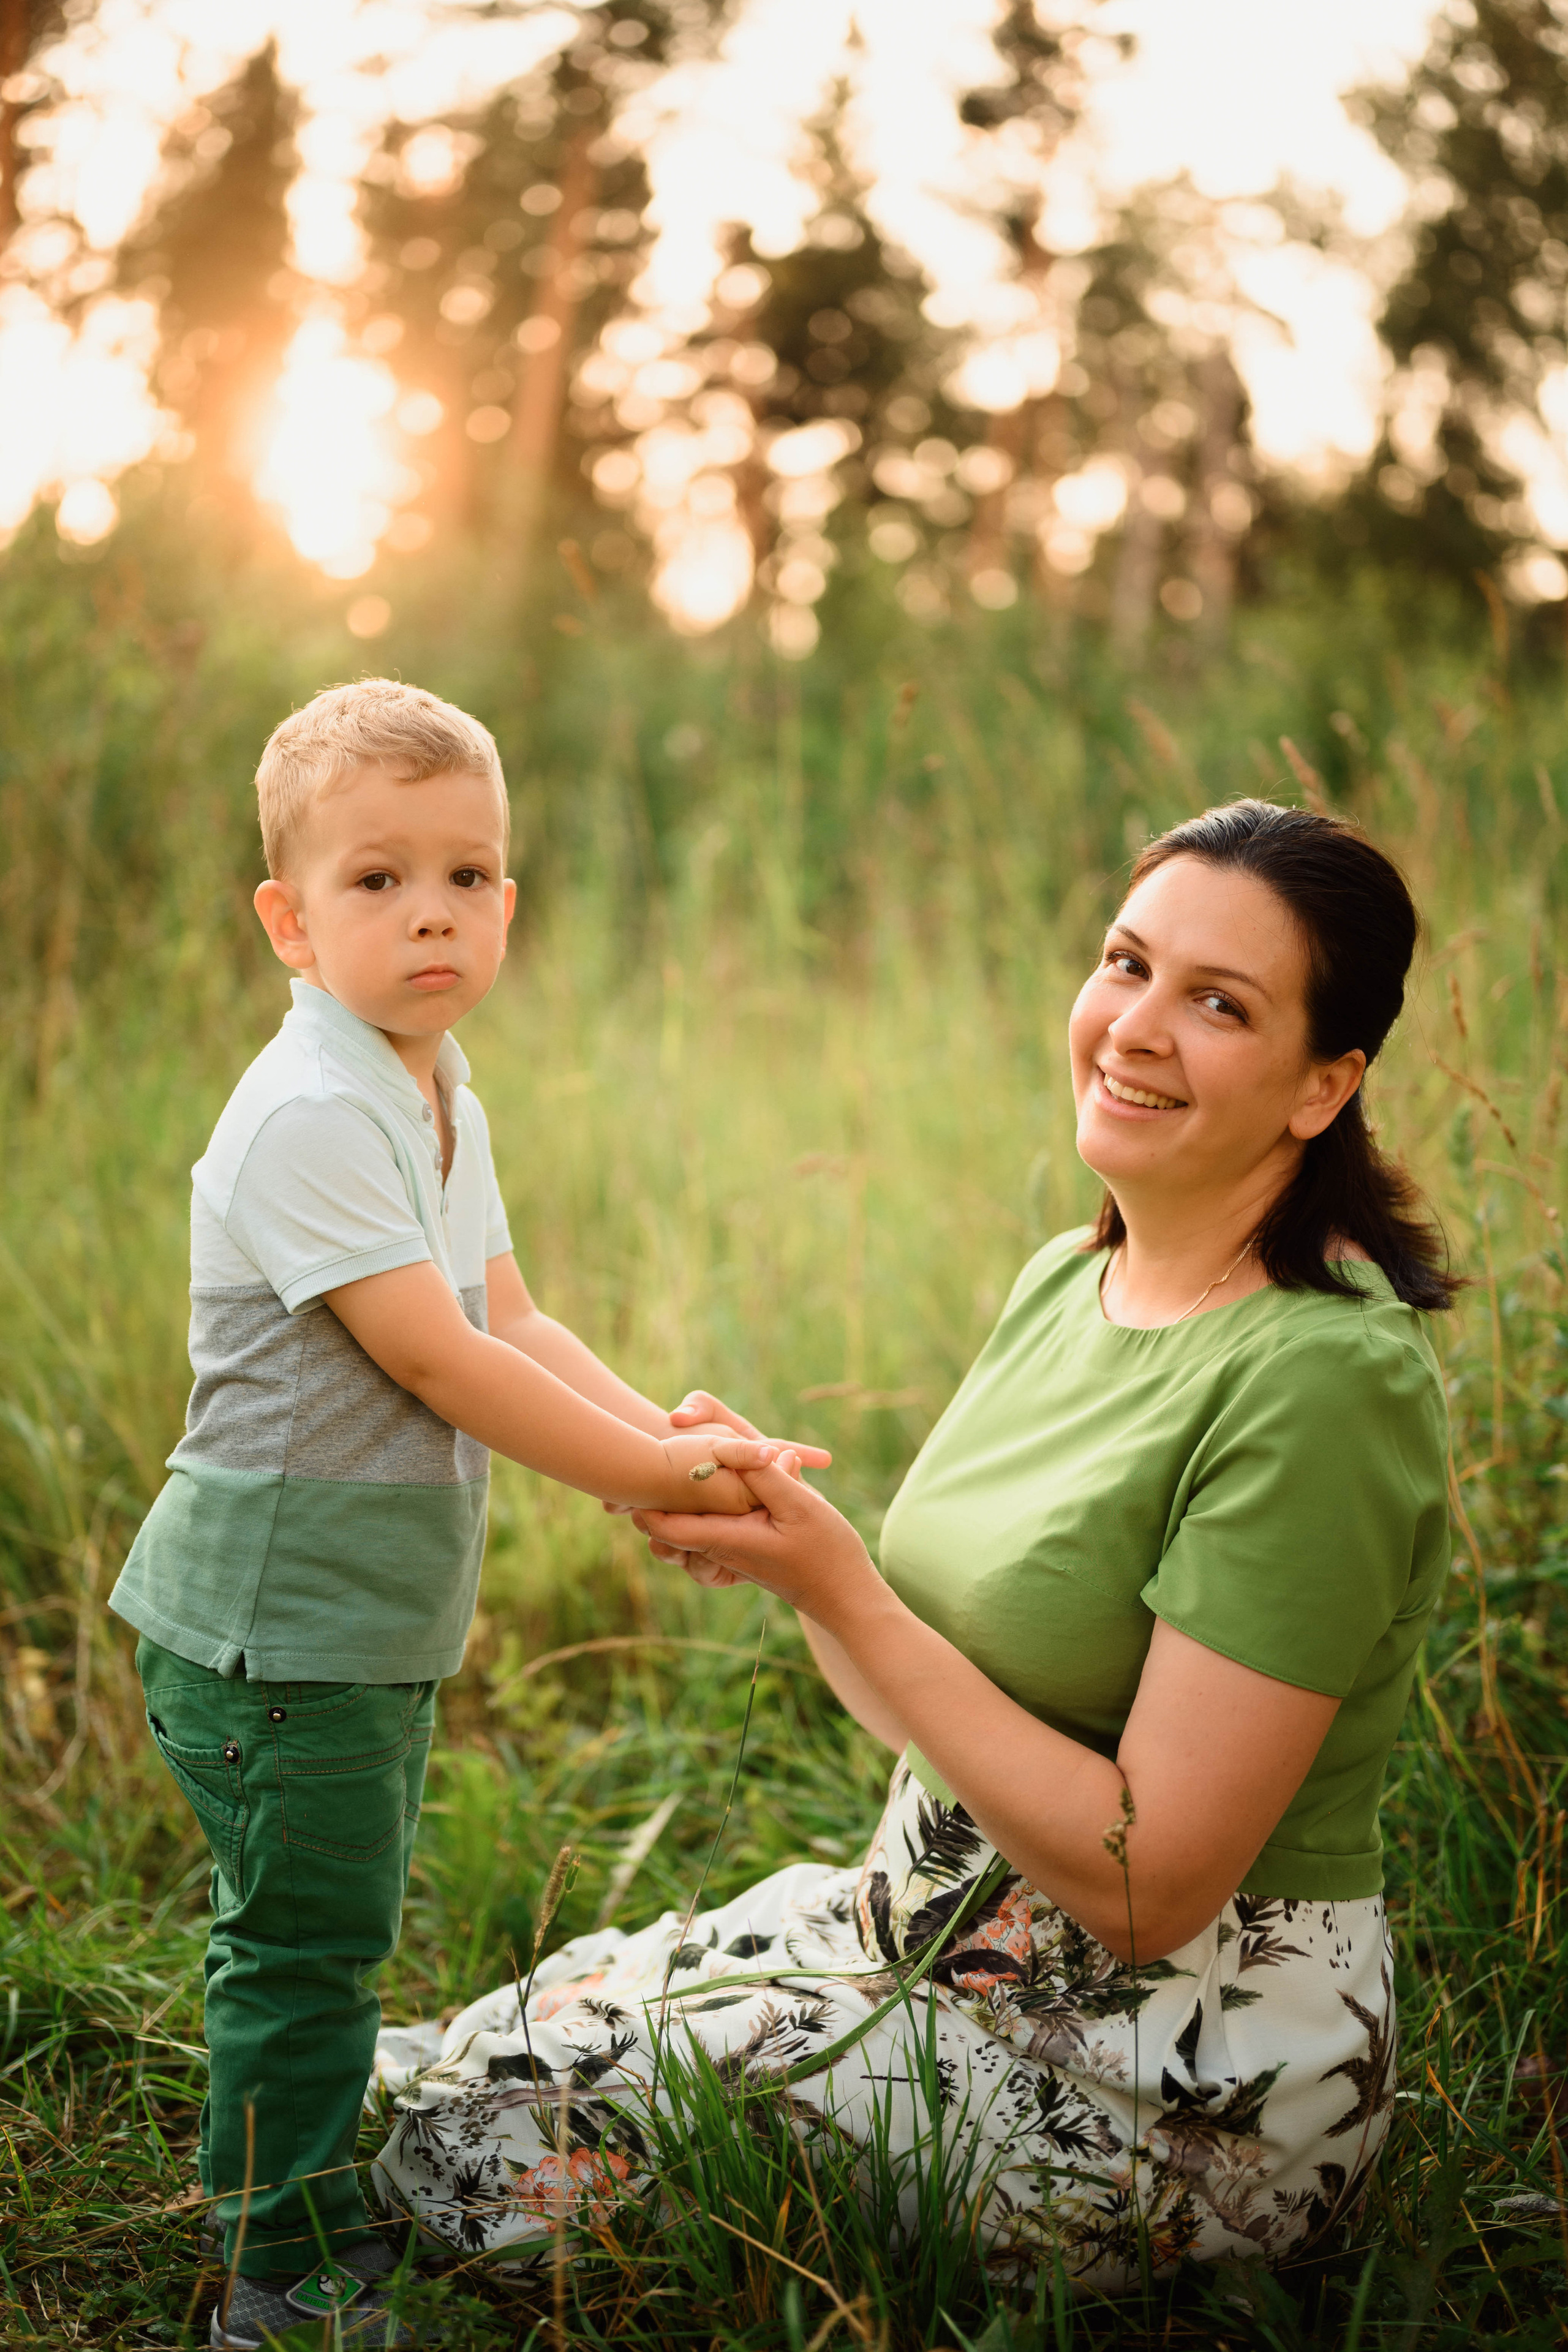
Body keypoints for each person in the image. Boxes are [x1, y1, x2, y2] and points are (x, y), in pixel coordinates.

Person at [371, 799, 1455, 2294]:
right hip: (924, 1929)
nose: (1134, 1029)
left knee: (480, 2157)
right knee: (470, 2053)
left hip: (1172, 2067)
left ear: (1322, 1084)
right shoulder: (1071, 1275)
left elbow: (1155, 1887)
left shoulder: (1324, 1382)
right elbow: (931, 1687)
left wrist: (837, 1581)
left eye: (1217, 1004)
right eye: (1124, 964)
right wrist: (780, 1544)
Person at [107, 680, 824, 2352]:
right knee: (300, 1952)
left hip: (355, 1619)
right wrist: (646, 1483)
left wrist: (680, 1432)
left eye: (471, 874)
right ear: (289, 921)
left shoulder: (435, 1086)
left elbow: (508, 1315)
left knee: (330, 1925)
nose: (433, 909)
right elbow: (432, 1358)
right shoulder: (309, 1110)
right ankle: (278, 2274)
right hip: (275, 1623)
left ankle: (297, 2185)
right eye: (377, 880)